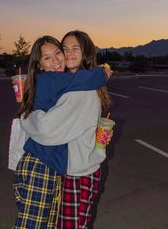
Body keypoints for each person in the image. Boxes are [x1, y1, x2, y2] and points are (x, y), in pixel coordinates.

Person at [13, 35, 111, 229]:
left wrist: (26, 116)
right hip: (47, 164)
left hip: (72, 169)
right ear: (39, 64)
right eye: (65, 48)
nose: (64, 55)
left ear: (86, 52)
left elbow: (45, 128)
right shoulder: (64, 82)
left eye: (60, 52)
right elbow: (47, 128)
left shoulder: (79, 88)